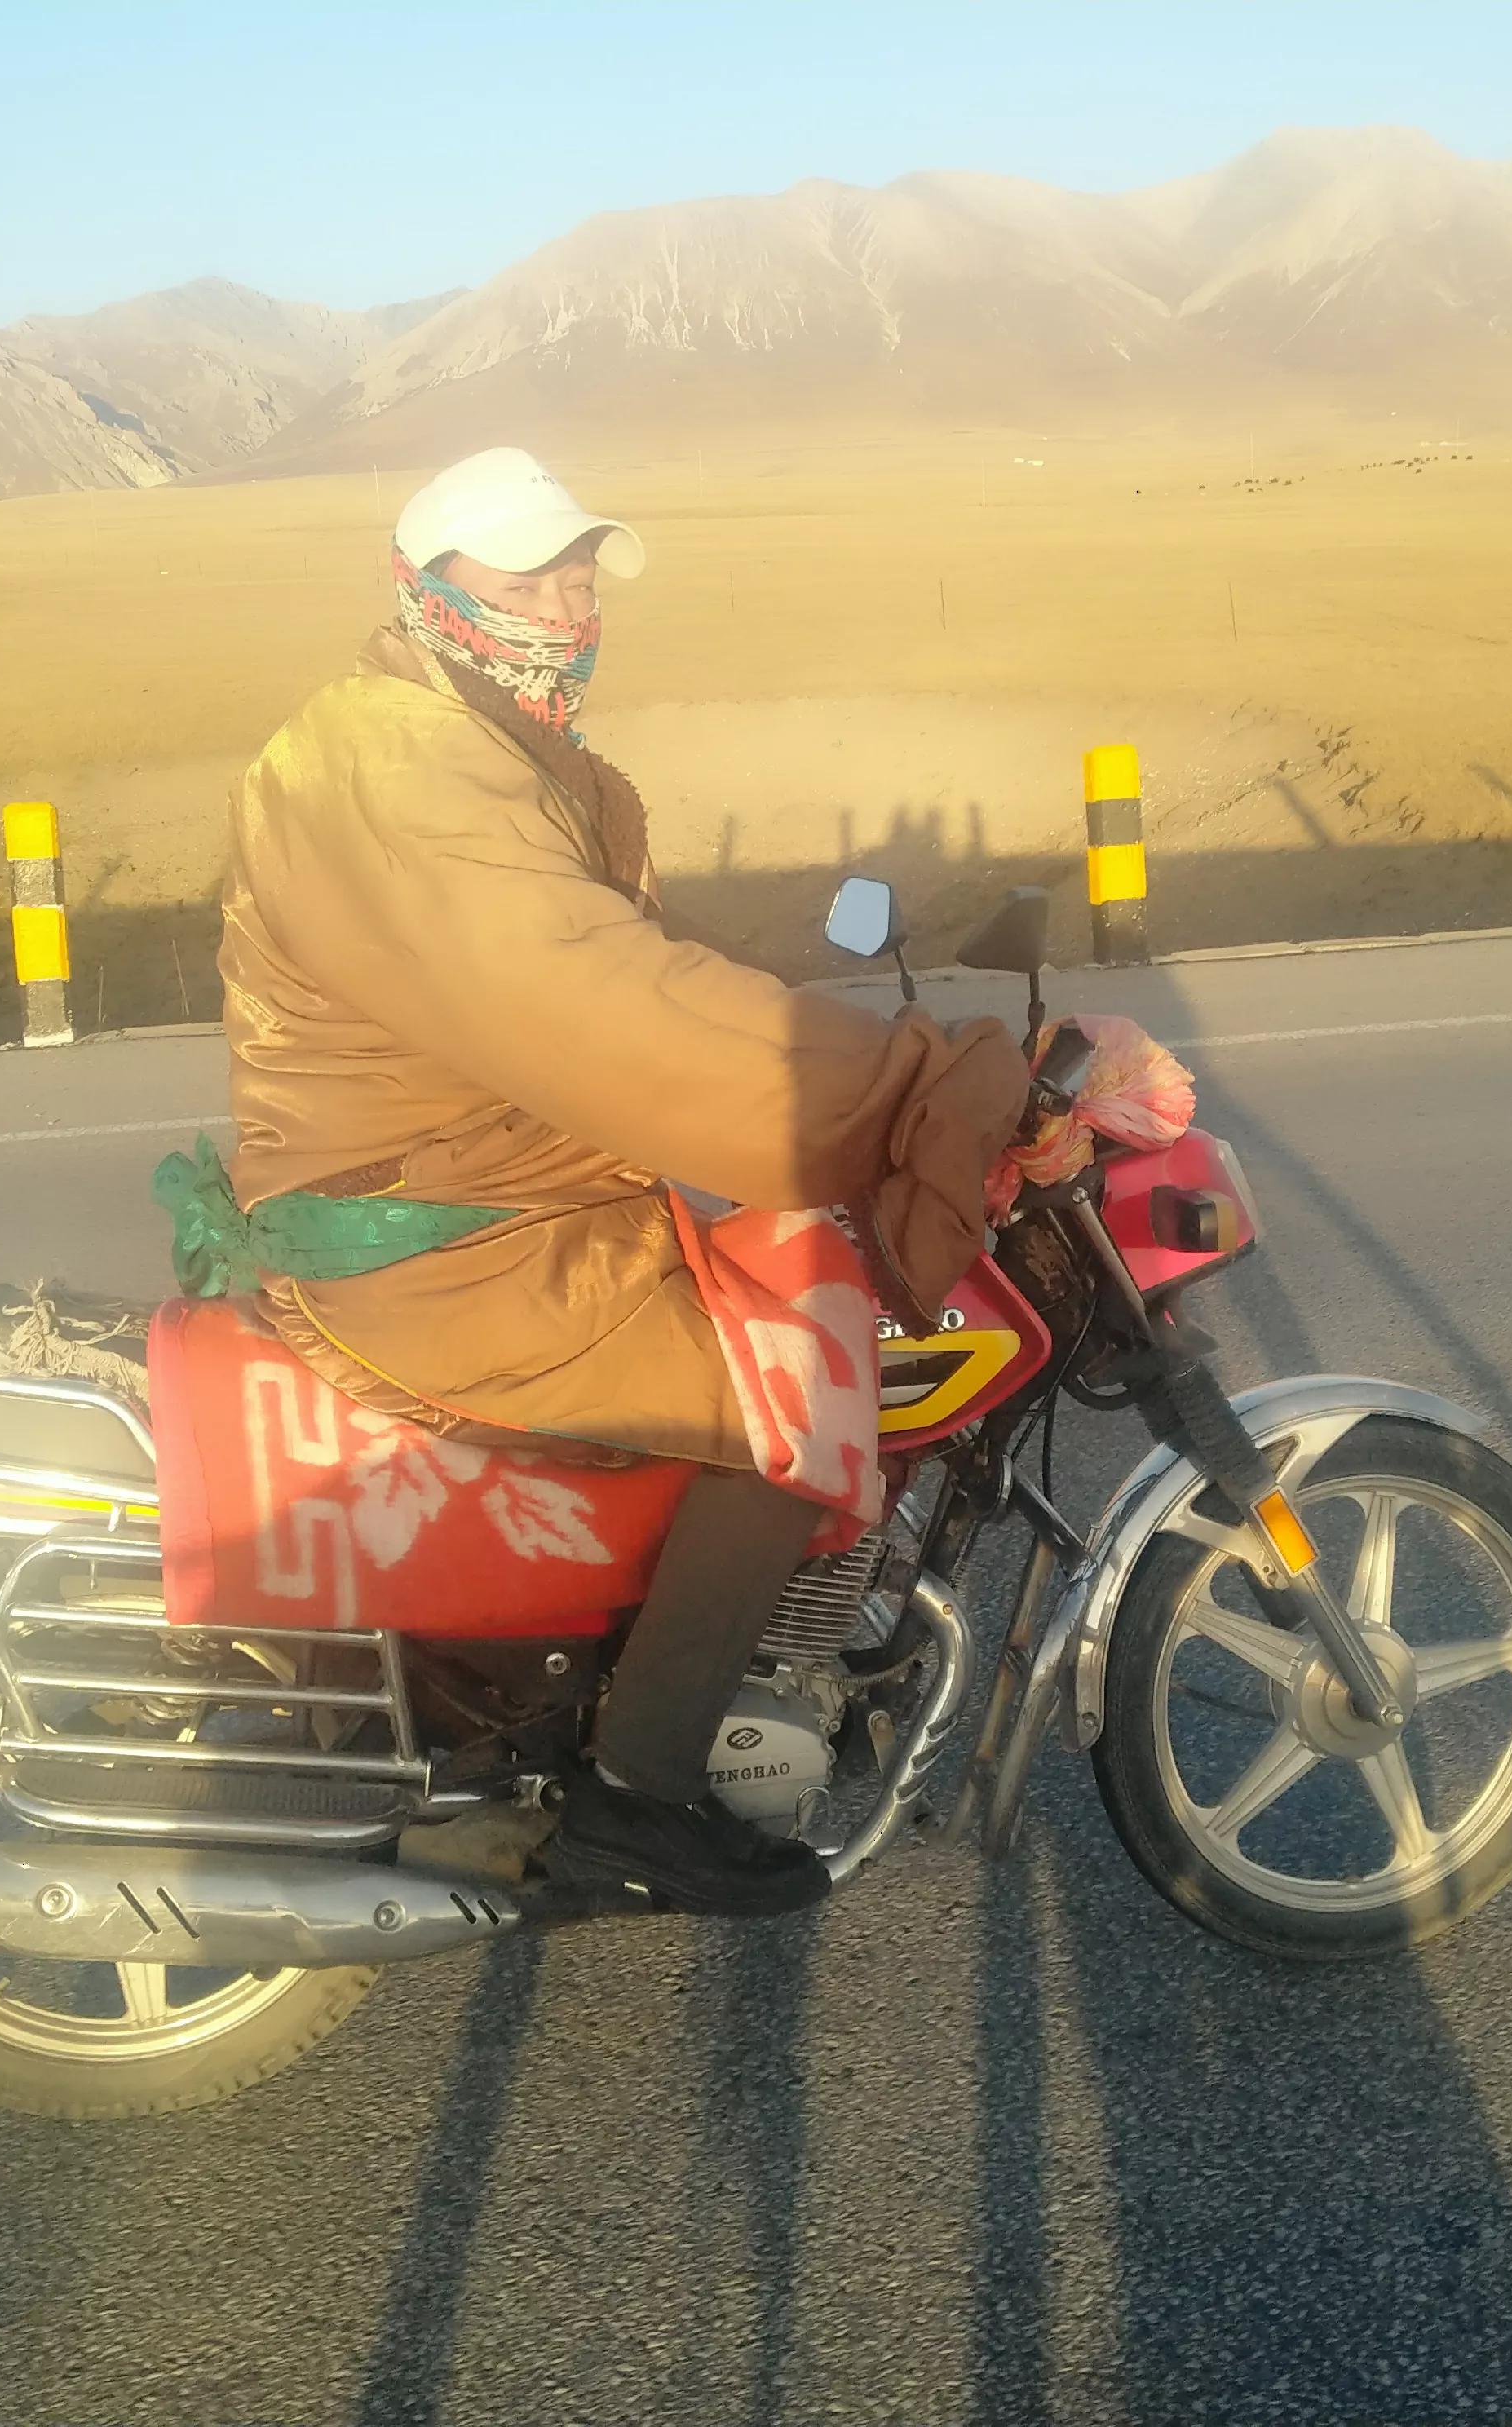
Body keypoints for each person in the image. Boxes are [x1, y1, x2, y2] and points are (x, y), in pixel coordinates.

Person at [211, 446, 1028, 1914]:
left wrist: (806, 1033)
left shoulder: (483, 746)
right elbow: (593, 998)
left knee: (766, 1283)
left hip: (495, 1186)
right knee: (794, 1386)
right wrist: (913, 1089)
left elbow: (633, 975)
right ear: (424, 586)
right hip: (448, 1238)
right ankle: (637, 1793)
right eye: (526, 573)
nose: (568, 599)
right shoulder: (405, 767)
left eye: (580, 568)